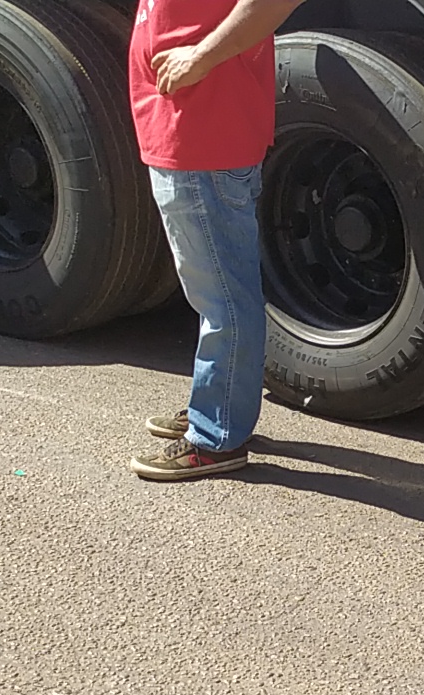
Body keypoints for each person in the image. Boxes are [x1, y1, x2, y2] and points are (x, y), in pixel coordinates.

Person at [126, 0, 308, 481]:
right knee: (218, 291)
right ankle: (219, 406)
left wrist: (199, 56)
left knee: (223, 297)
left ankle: (216, 435)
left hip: (202, 130)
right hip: (191, 126)